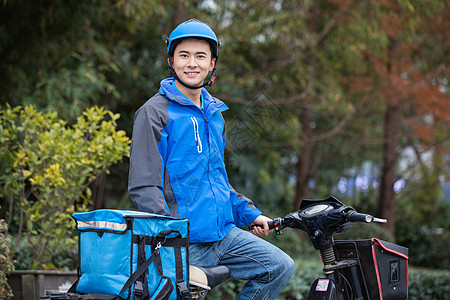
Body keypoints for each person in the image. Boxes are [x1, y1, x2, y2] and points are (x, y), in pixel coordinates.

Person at [128, 19, 294, 299]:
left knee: (279, 266)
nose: (192, 63)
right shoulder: (154, 112)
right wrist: (171, 235)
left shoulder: (213, 114)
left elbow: (216, 180)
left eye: (200, 56)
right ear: (171, 61)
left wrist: (250, 214)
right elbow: (144, 187)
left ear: (212, 64)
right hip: (182, 240)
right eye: (184, 55)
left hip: (222, 236)